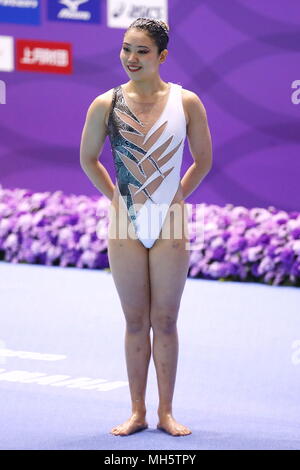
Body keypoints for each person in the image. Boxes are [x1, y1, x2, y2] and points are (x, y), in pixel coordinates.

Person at [80, 17, 212, 436]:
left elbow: (203, 159)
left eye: (141, 51)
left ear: (162, 56)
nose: (131, 58)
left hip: (170, 221)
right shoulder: (105, 104)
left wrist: (178, 197)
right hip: (125, 225)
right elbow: (88, 158)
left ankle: (166, 413)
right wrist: (116, 198)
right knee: (136, 320)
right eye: (126, 49)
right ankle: (137, 412)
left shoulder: (187, 102)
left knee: (166, 320)